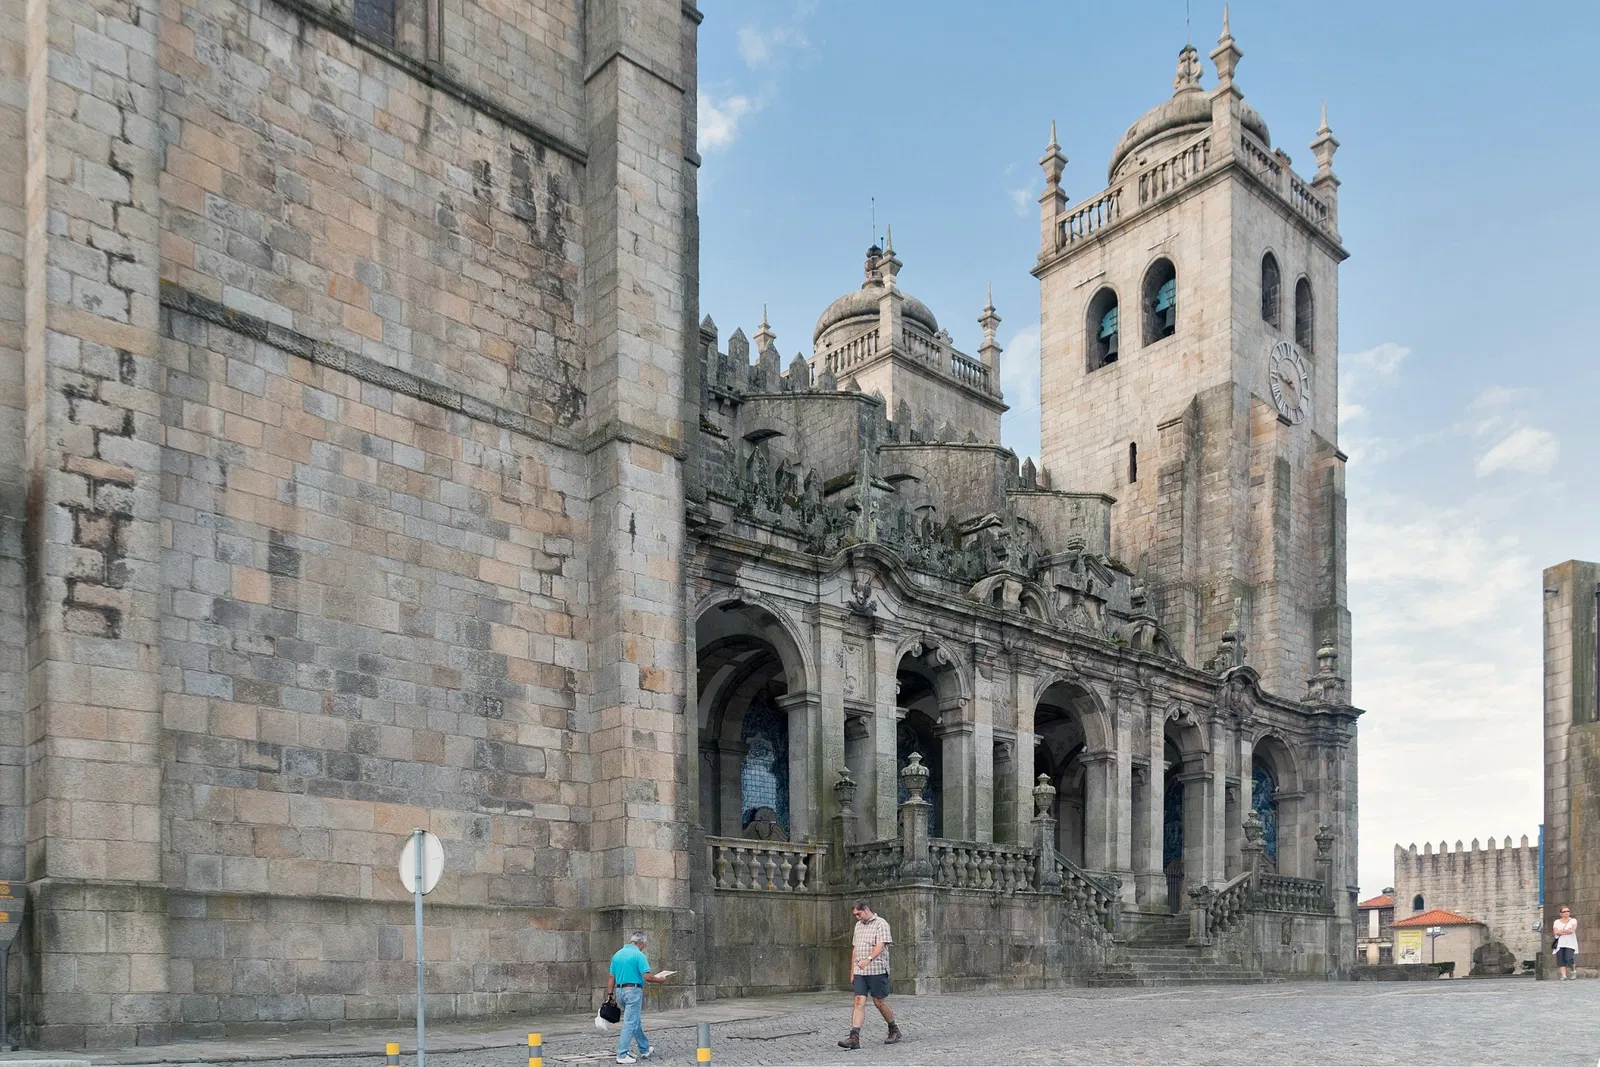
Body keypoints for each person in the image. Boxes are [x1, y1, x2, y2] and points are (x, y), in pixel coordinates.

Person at [838, 900, 901, 1049]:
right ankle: (854, 1037)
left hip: (877, 969)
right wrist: (852, 970)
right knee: (859, 1000)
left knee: (879, 1002)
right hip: (860, 971)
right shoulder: (858, 926)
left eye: (858, 914)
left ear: (866, 910)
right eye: (855, 915)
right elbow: (855, 948)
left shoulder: (881, 924)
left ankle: (894, 1029)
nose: (857, 917)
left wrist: (869, 959)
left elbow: (881, 945)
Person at [607, 931, 669, 1063]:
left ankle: (644, 1048)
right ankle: (622, 1054)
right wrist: (660, 979)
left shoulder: (617, 955)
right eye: (644, 944)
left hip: (620, 991)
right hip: (633, 991)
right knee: (630, 1022)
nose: (644, 946)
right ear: (640, 943)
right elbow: (647, 977)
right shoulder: (639, 955)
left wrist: (610, 994)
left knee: (635, 1021)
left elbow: (611, 976)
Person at [1553, 906, 1579, 981]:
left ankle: (1573, 971)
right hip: (1560, 943)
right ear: (1561, 913)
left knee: (1569, 958)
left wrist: (1561, 931)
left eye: (1568, 911)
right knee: (1561, 959)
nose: (1567, 913)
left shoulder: (1573, 920)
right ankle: (1563, 975)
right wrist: (1566, 931)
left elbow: (1572, 930)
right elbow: (1555, 932)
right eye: (1564, 911)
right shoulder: (1557, 922)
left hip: (1570, 943)